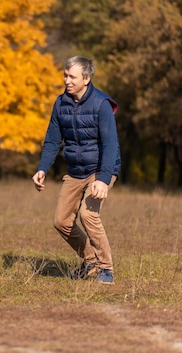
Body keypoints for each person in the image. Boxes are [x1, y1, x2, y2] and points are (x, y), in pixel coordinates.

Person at [32, 56, 121, 284]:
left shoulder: (101, 104)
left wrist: (102, 180)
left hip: (100, 169)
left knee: (88, 214)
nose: (67, 80)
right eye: (65, 75)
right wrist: (42, 168)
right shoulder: (60, 103)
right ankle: (90, 260)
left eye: (72, 76)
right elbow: (52, 141)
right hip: (75, 170)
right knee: (61, 221)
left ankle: (106, 269)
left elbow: (111, 145)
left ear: (87, 78)